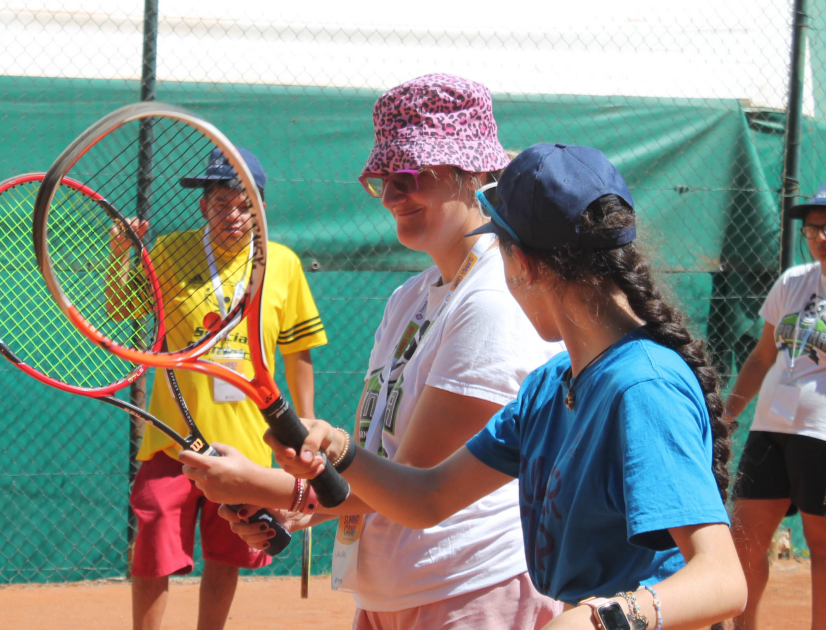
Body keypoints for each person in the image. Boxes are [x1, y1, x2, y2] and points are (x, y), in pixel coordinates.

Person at [268, 143, 748, 630]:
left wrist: (599, 620)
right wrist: (340, 448)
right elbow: (428, 497)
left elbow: (723, 580)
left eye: (496, 247)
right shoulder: (546, 389)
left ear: (524, 263)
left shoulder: (641, 387)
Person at [180, 74, 564, 629]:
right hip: (389, 590)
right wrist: (300, 502)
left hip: (470, 590)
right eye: (382, 179)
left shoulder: (495, 300)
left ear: (472, 173)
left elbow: (418, 483)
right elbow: (377, 463)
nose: (389, 196)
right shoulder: (409, 298)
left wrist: (260, 484)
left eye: (409, 176)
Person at [119, 147, 329, 630]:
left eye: (243, 204)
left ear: (260, 209)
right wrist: (122, 255)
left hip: (245, 444)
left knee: (227, 553)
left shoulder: (283, 264)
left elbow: (299, 352)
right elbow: (121, 310)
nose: (231, 215)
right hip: (172, 441)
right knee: (152, 552)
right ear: (203, 206)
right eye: (219, 203)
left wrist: (304, 426)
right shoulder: (171, 251)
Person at [725, 183, 826, 630]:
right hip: (770, 427)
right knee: (746, 538)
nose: (818, 238)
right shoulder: (793, 281)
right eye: (811, 230)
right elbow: (761, 358)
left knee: (822, 546)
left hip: (822, 433)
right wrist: (727, 413)